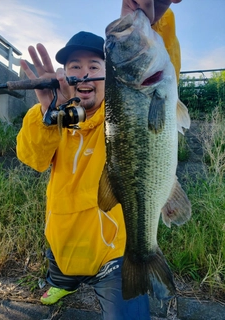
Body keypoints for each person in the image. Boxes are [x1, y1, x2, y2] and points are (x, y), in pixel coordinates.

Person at [17, 1, 182, 319]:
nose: (84, 74)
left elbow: (162, 64)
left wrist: (155, 23)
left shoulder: (121, 112)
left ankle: (128, 267)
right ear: (63, 76)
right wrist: (47, 115)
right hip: (62, 248)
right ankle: (62, 281)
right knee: (61, 273)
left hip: (113, 257)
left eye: (94, 65)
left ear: (112, 73)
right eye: (74, 67)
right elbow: (32, 158)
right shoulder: (50, 118)